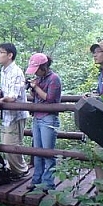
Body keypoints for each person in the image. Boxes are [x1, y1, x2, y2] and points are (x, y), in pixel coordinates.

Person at [25, 53, 61, 191]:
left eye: (37, 69)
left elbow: (50, 99)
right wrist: (32, 88)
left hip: (49, 118)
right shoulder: (38, 79)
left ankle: (48, 183)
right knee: (37, 152)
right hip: (37, 117)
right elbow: (36, 98)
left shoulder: (54, 79)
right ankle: (36, 180)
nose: (36, 73)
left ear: (43, 67)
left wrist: (36, 87)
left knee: (47, 152)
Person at [0, 43, 29, 180]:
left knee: (12, 144)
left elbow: (12, 97)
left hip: (16, 115)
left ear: (10, 55)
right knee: (6, 143)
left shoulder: (16, 71)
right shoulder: (3, 70)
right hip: (6, 115)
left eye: (1, 52)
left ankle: (21, 170)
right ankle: (14, 169)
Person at [89, 40, 103, 183]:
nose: (94, 55)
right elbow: (101, 93)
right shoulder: (102, 75)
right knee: (98, 157)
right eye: (94, 52)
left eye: (98, 51)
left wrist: (100, 98)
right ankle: (100, 193)